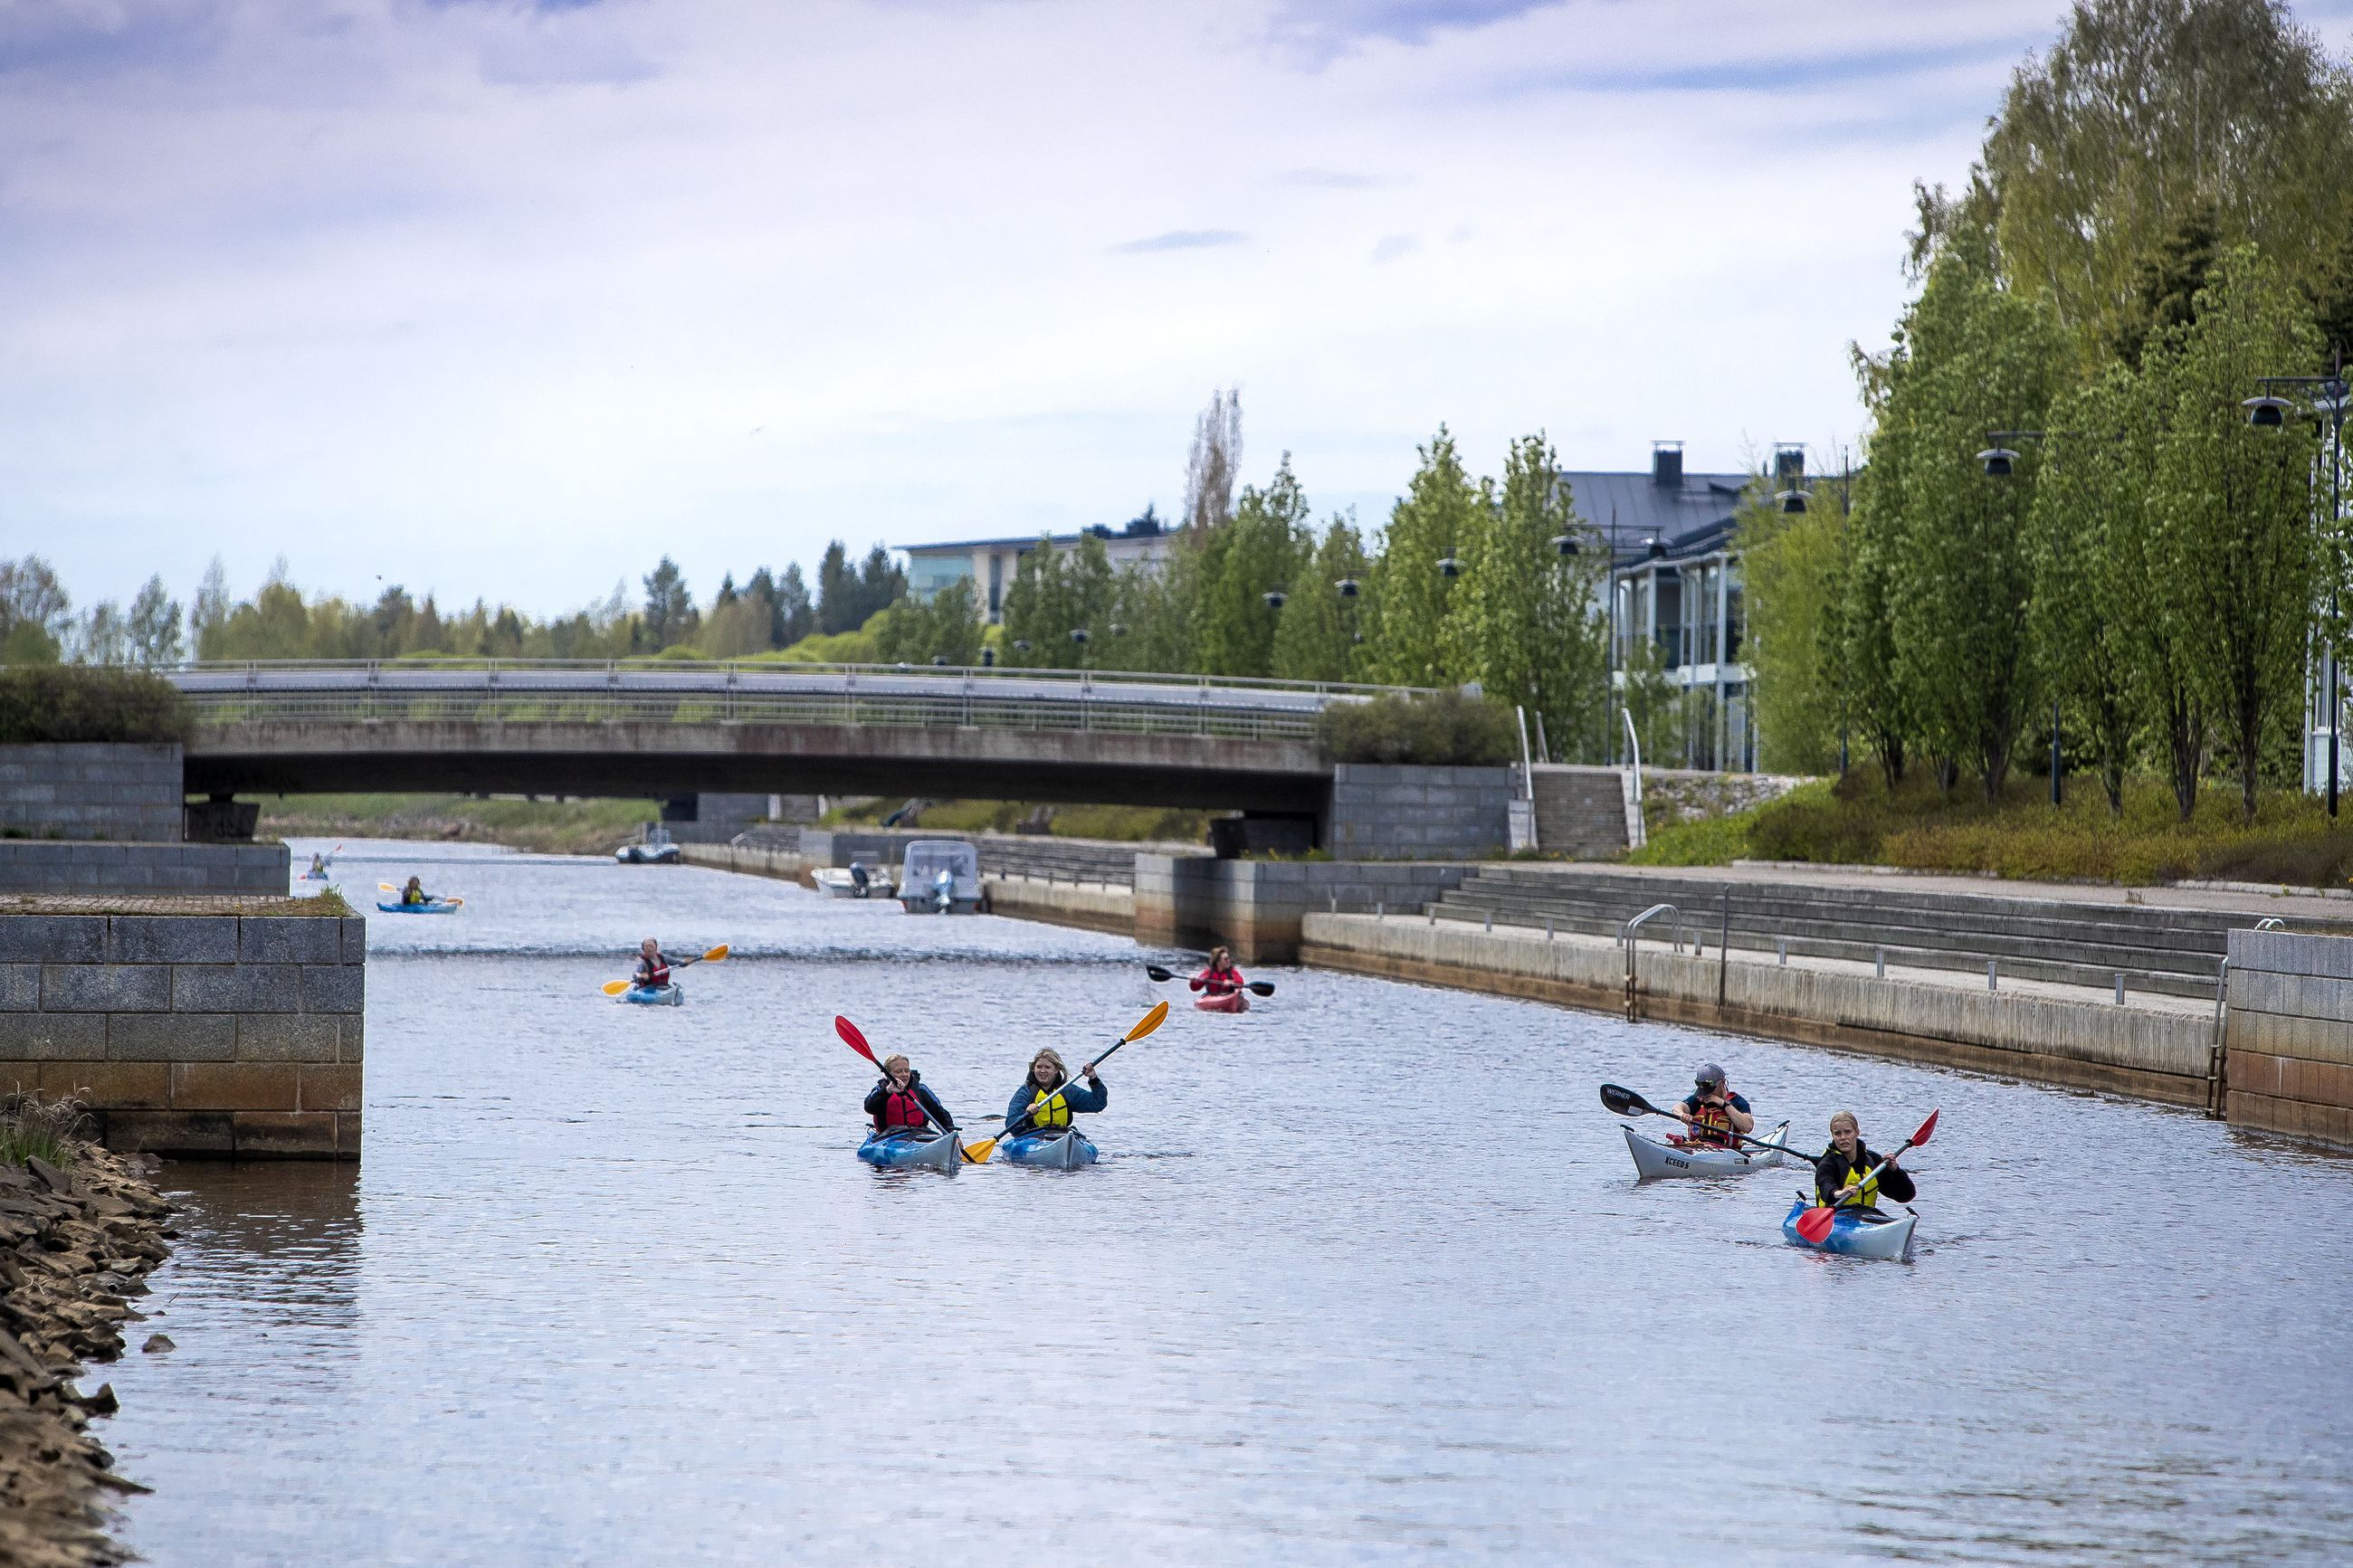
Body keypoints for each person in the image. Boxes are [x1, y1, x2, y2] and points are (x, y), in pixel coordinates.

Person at [1814, 1110, 1917, 1210]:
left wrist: (1895, 1171)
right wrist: (1839, 1193)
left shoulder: (1872, 1160)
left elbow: (1905, 1196)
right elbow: (1825, 1184)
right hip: (1836, 1218)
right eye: (1837, 1133)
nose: (1843, 1137)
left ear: (1857, 1132)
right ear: (1833, 1136)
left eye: (1848, 1132)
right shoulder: (1827, 1163)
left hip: (1866, 1217)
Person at [1005, 1047, 1106, 1138]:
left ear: (1056, 1070)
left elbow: (1097, 1104)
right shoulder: (1025, 1092)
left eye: (1047, 1067)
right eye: (1039, 1067)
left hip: (1062, 1135)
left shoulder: (1067, 1090)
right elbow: (1010, 1124)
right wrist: (1027, 1115)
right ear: (1033, 1068)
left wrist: (1093, 1079)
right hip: (1032, 1137)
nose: (1042, 1071)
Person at [864, 1054, 957, 1136]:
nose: (904, 1074)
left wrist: (952, 1134)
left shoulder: (921, 1090)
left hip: (920, 1135)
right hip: (889, 1138)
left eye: (906, 1070)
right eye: (898, 1071)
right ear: (887, 1074)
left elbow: (940, 1114)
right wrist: (888, 1090)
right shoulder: (881, 1090)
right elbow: (869, 1108)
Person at [1671, 1063, 1755, 1149]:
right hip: (1697, 1148)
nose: (1706, 1094)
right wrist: (1682, 1115)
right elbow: (1676, 1108)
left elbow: (1748, 1127)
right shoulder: (1698, 1100)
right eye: (1703, 1090)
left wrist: (1723, 1104)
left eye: (1710, 1090)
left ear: (1723, 1082)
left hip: (1727, 1152)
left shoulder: (1737, 1101)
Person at [632, 937, 705, 992]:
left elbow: (679, 964)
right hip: (648, 988)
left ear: (656, 948)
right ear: (643, 949)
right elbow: (637, 972)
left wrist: (687, 962)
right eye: (647, 946)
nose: (649, 948)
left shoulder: (664, 958)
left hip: (663, 987)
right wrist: (641, 975)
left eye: (651, 946)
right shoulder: (642, 961)